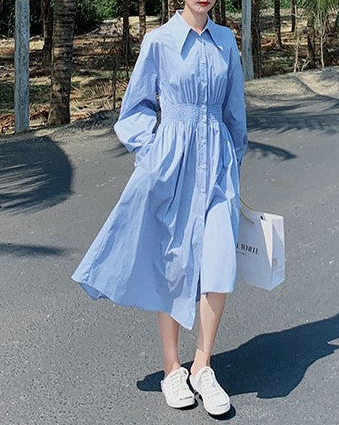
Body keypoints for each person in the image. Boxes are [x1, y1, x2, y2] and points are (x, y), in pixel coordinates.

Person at [71, 0, 248, 416]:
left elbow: (234, 111)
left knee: (219, 262)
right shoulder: (159, 41)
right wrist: (152, 155)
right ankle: (172, 369)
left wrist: (233, 162)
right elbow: (135, 110)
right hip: (172, 166)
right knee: (173, 260)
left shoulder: (226, 42)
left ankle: (203, 366)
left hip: (217, 168)